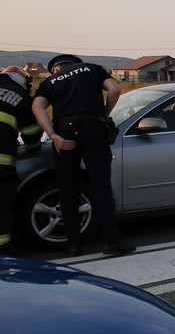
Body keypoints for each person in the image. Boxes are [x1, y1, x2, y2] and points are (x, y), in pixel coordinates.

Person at [31, 54, 135, 257]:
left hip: (64, 133)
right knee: (101, 187)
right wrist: (103, 114)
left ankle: (73, 244)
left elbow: (37, 107)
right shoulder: (92, 68)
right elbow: (115, 90)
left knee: (68, 189)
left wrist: (53, 135)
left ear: (55, 69)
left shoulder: (49, 82)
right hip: (93, 129)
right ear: (76, 63)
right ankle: (111, 242)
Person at [0, 67, 43, 254]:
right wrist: (32, 147)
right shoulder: (22, 98)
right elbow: (32, 136)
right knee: (2, 205)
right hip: (1, 165)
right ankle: (3, 247)